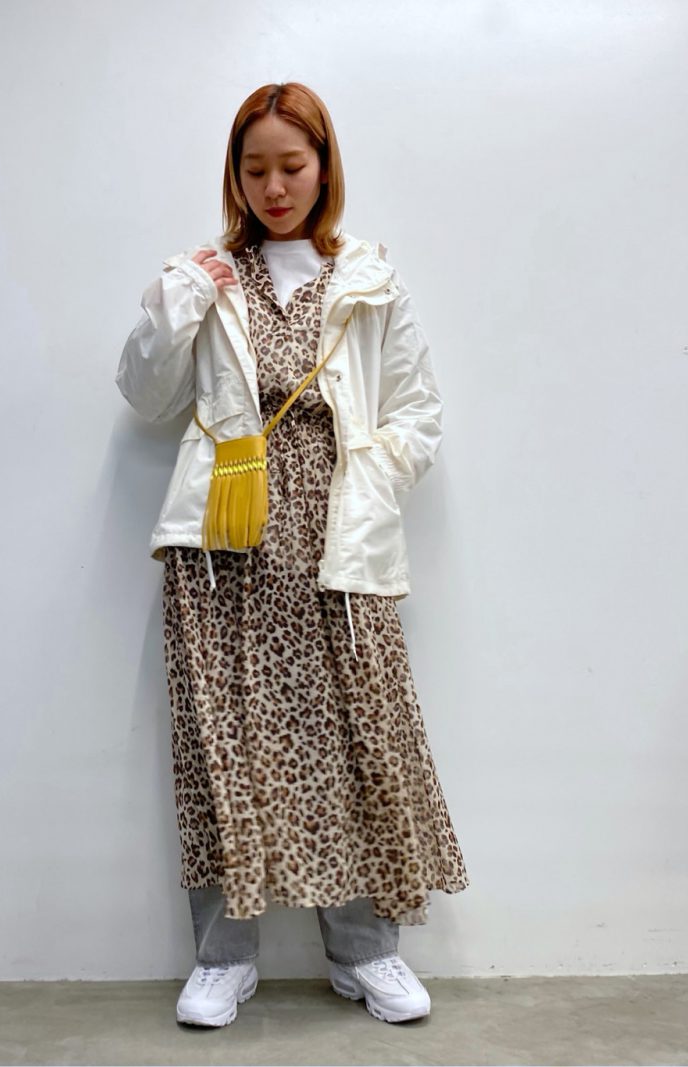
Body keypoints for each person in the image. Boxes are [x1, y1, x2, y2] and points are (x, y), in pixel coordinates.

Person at [115, 81, 469, 1028]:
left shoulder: (369, 280)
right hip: (224, 545)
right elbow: (146, 394)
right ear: (234, 174)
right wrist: (182, 300)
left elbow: (418, 411)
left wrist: (370, 476)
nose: (274, 187)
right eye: (255, 168)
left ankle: (365, 952)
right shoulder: (204, 275)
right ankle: (223, 958)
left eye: (292, 165)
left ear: (324, 167)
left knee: (355, 739)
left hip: (337, 547)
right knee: (224, 746)